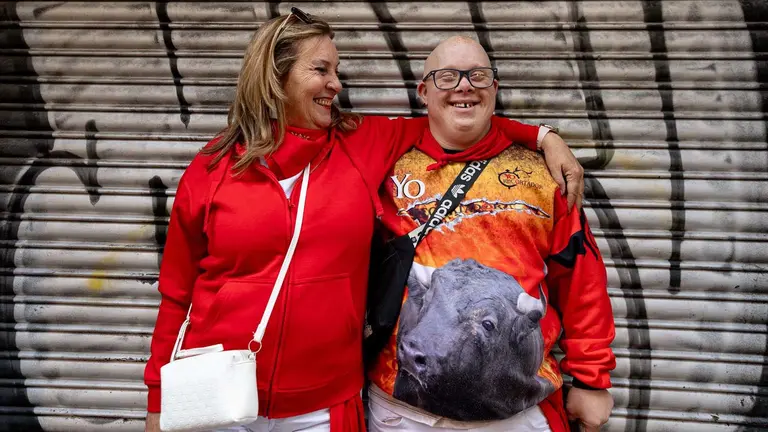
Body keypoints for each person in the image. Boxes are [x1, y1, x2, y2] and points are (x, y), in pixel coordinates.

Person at [143, 9, 585, 432]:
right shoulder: (212, 168)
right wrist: (159, 402)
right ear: (276, 76)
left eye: (336, 71)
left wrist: (545, 137)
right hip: (217, 394)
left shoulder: (362, 143)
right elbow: (177, 296)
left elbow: (457, 118)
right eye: (321, 70)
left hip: (320, 406)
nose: (336, 84)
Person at [366, 36, 616, 432]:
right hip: (400, 409)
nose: (464, 86)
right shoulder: (382, 161)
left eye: (478, 76)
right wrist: (539, 132)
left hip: (512, 415)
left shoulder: (543, 176)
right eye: (447, 77)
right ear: (423, 92)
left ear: (494, 89)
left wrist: (592, 377)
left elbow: (582, 280)